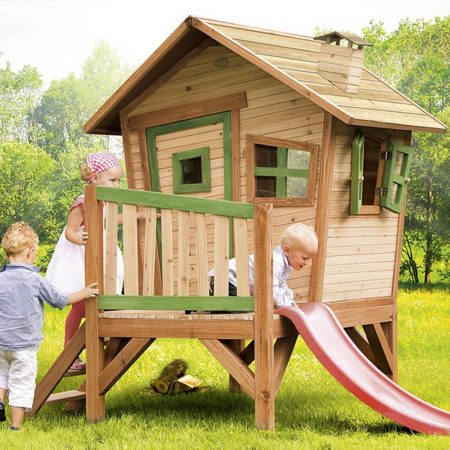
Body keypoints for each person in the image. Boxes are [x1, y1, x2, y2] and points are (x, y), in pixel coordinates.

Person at [0, 222, 99, 430]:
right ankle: (15, 427)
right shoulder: (35, 280)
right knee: (21, 383)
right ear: (30, 252)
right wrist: (84, 293)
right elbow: (59, 299)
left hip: (1, 343)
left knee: (1, 376)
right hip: (24, 345)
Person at [46, 152, 124, 371]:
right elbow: (70, 230)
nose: (117, 185)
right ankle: (69, 351)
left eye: (119, 180)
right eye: (113, 180)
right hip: (80, 254)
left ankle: (99, 339)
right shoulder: (82, 201)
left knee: (96, 299)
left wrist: (136, 216)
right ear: (95, 178)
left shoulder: (103, 201)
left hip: (96, 251)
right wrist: (80, 240)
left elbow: (109, 220)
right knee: (81, 304)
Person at [208, 222, 318, 308]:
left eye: (310, 258)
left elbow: (281, 285)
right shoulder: (275, 262)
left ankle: (216, 304)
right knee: (241, 308)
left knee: (246, 306)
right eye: (304, 258)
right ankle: (213, 305)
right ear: (287, 250)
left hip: (232, 283)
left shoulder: (284, 266)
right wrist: (287, 305)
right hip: (226, 278)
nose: (308, 263)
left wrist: (290, 301)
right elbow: (272, 289)